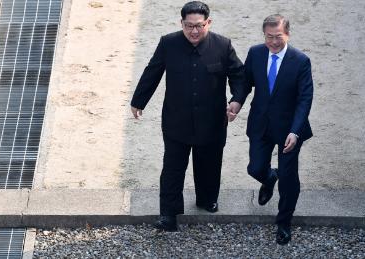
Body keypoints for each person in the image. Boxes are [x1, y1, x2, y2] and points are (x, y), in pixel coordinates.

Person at [131, 1, 244, 231]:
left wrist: (236, 100)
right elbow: (152, 71)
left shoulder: (223, 45)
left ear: (208, 23)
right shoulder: (168, 43)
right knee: (172, 168)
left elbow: (239, 76)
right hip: (176, 120)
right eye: (188, 25)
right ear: (181, 23)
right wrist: (138, 101)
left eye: (199, 26)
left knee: (209, 164)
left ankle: (207, 199)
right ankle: (168, 214)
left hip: (212, 121)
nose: (194, 31)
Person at [228, 14, 313, 245]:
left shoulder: (300, 61)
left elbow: (305, 99)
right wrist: (236, 101)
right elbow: (245, 83)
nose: (273, 42)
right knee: (255, 168)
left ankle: (284, 222)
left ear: (287, 34)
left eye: (278, 37)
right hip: (261, 124)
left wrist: (295, 131)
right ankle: (269, 176)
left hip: (289, 130)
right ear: (264, 34)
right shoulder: (256, 53)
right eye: (269, 37)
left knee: (288, 177)